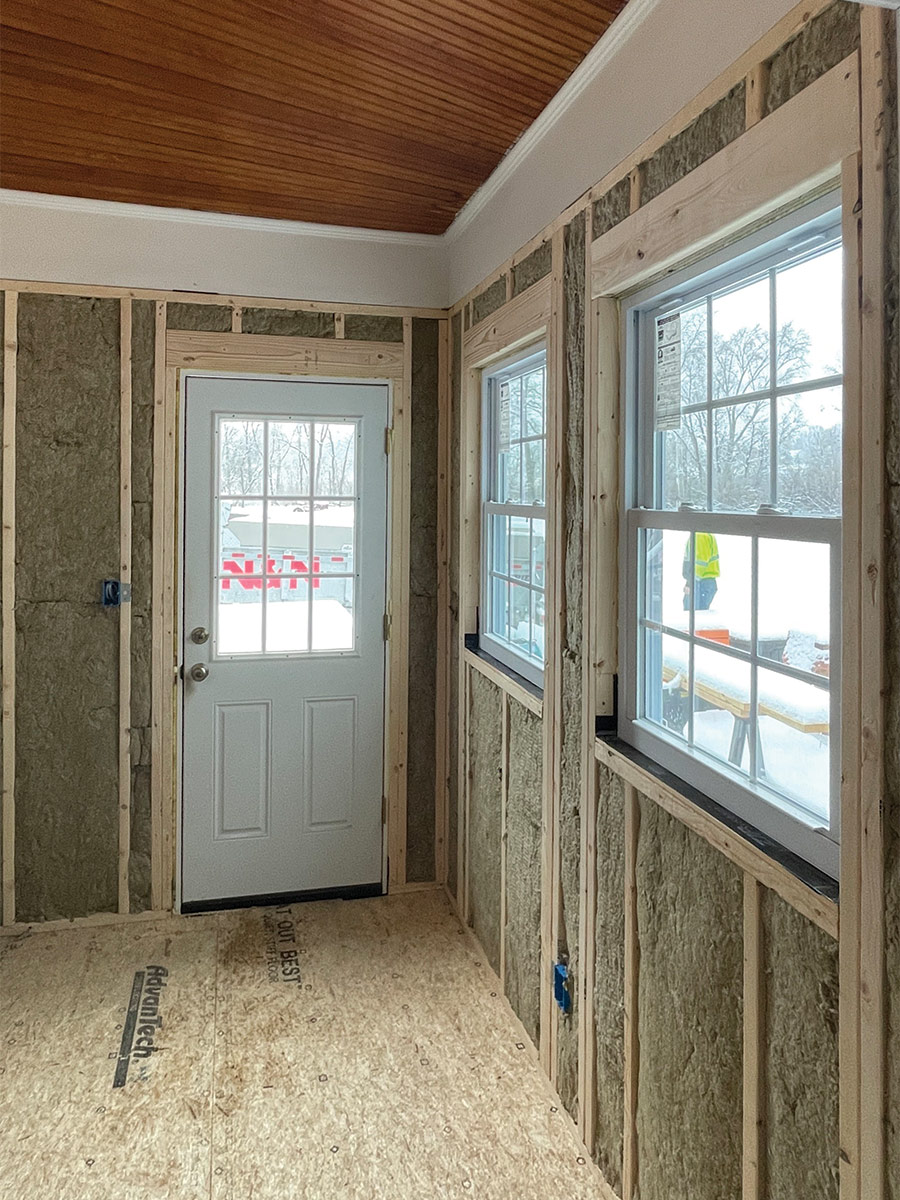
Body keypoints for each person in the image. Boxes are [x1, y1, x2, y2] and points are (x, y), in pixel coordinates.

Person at [683, 532, 719, 610]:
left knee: (692, 615)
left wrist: (690, 583)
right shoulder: (704, 534)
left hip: (700, 583)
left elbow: (700, 564)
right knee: (698, 615)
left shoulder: (700, 536)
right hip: (704, 582)